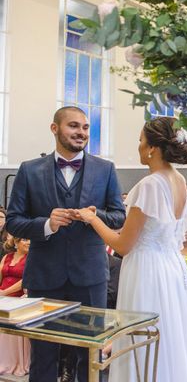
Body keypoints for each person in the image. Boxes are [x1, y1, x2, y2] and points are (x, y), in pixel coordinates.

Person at [75, 117, 187, 382]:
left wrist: (93, 220)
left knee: (143, 340)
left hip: (146, 271)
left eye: (140, 141)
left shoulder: (149, 185)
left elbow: (123, 245)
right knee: (171, 338)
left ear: (152, 148)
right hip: (172, 268)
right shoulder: (179, 180)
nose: (138, 146)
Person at [6, 106, 126, 382]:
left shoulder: (105, 169)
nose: (81, 133)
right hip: (44, 276)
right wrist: (46, 224)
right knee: (44, 354)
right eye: (73, 126)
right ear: (55, 129)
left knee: (90, 354)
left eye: (85, 128)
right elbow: (13, 220)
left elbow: (119, 215)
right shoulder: (29, 170)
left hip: (90, 275)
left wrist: (93, 216)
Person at [0, 237, 30, 376]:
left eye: (30, 240)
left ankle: (12, 361)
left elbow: (25, 280)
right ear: (16, 242)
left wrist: (5, 292)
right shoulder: (7, 256)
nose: (28, 242)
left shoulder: (31, 258)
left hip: (18, 298)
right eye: (24, 239)